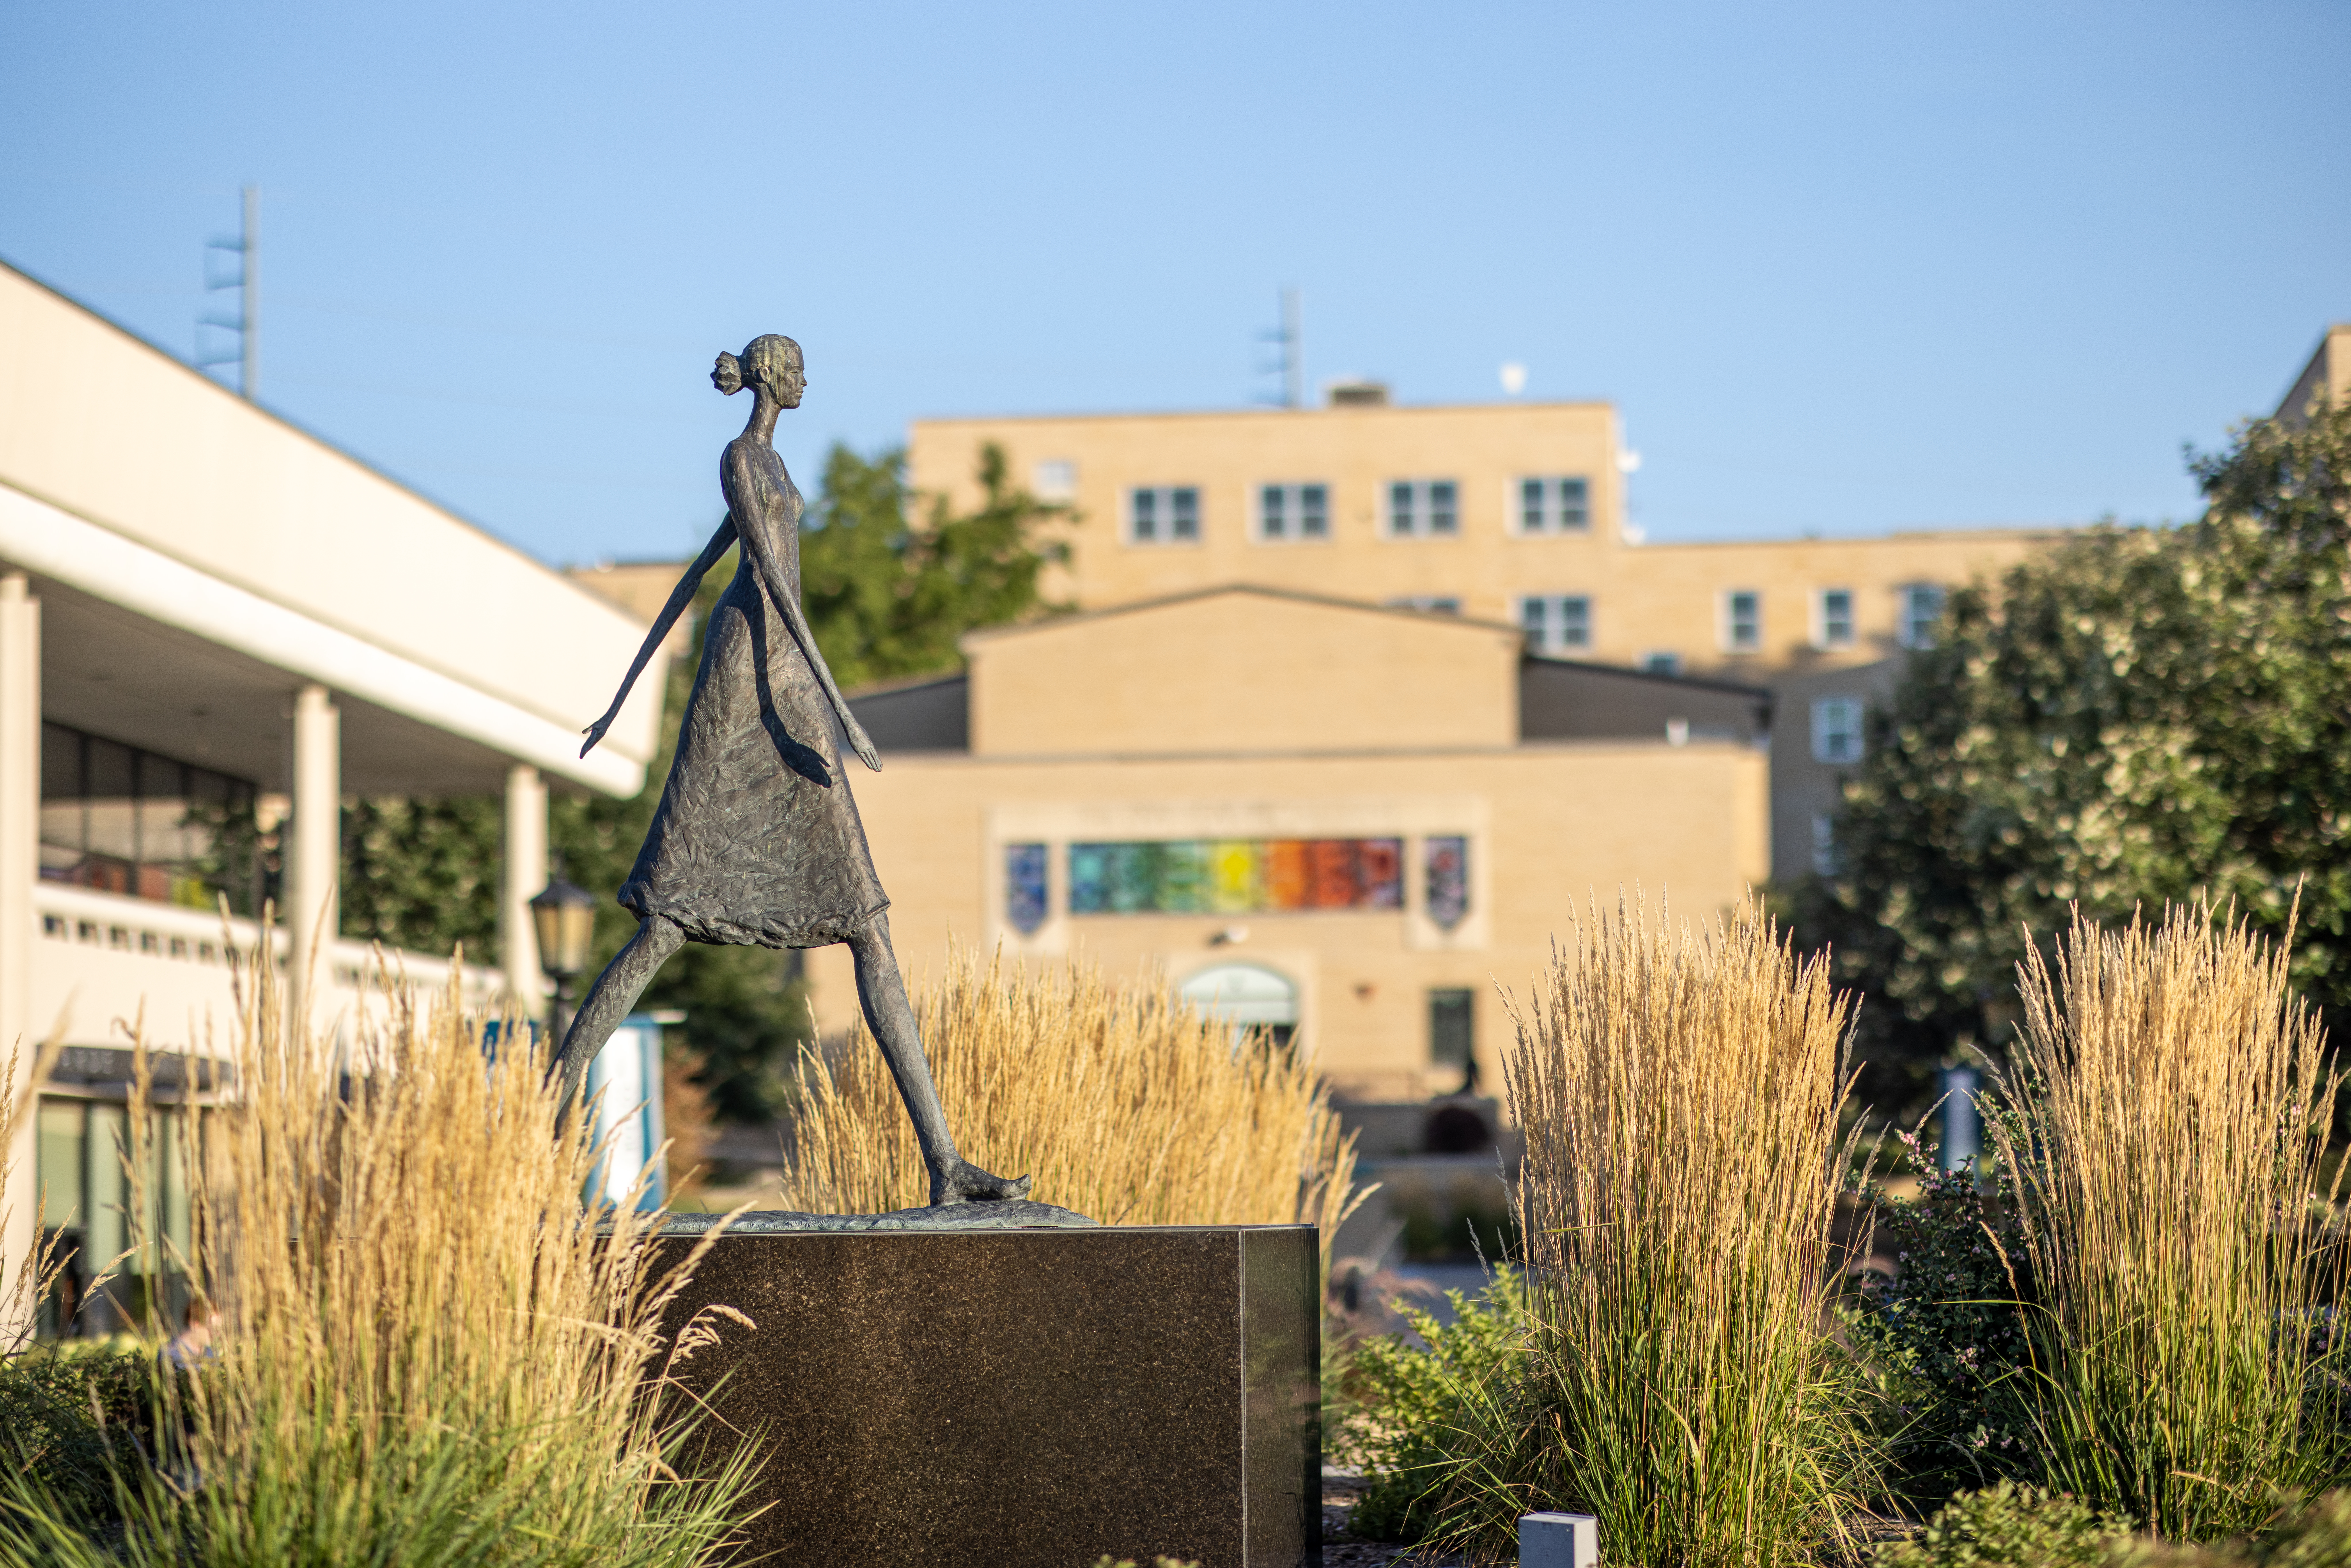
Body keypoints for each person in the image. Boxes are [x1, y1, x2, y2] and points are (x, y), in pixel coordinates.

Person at [559, 334, 1028, 1208]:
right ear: (775, 377)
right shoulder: (741, 457)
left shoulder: (769, 462)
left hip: (790, 680)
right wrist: (841, 706)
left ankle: (946, 1162)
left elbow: (701, 570)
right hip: (749, 685)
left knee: (867, 925)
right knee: (666, 923)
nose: (809, 381)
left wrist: (628, 695)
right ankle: (541, 1119)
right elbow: (765, 579)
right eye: (801, 369)